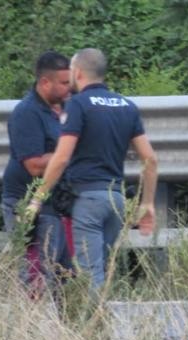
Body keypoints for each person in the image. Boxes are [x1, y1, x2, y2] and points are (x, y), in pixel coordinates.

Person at [26, 48, 158, 296]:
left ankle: (91, 333)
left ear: (77, 73)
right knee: (105, 271)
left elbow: (61, 157)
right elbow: (150, 159)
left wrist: (38, 197)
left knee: (90, 276)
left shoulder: (77, 105)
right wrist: (148, 203)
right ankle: (101, 330)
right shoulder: (127, 106)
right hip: (116, 200)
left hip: (88, 202)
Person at [2, 51, 74, 296]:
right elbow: (33, 165)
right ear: (45, 82)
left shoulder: (66, 108)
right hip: (27, 202)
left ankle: (65, 330)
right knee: (37, 273)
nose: (69, 87)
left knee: (64, 273)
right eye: (64, 83)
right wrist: (71, 153)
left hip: (56, 203)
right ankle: (32, 328)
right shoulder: (27, 113)